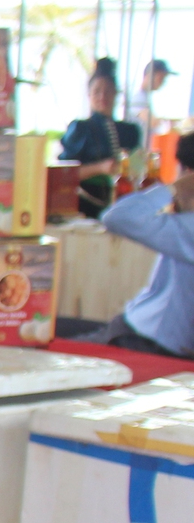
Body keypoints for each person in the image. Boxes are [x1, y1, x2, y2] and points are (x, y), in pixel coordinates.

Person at [78, 134, 194, 359]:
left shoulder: (189, 228)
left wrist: (173, 189)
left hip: (143, 341)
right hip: (140, 332)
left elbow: (117, 217)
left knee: (40, 348)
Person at [62, 57, 142, 217]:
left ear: (115, 93)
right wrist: (100, 168)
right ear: (89, 95)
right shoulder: (80, 129)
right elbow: (65, 173)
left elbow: (138, 168)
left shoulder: (130, 131)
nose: (102, 96)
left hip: (121, 205)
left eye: (108, 91)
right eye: (97, 91)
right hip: (85, 206)